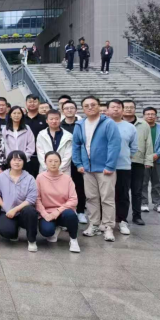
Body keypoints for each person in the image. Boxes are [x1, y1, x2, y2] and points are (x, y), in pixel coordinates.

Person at [72, 96, 121, 242]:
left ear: (99, 106)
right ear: (83, 108)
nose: (90, 107)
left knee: (107, 198)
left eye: (93, 104)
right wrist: (78, 164)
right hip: (87, 169)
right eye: (86, 105)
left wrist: (110, 165)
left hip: (105, 168)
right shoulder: (80, 124)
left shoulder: (108, 123)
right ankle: (94, 224)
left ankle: (108, 227)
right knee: (91, 197)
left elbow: (114, 144)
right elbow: (76, 145)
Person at [36, 151, 80, 253]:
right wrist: (44, 214)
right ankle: (55, 228)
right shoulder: (40, 178)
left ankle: (73, 240)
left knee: (71, 215)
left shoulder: (67, 178)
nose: (53, 164)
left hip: (63, 211)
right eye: (50, 161)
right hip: (47, 212)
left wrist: (58, 211)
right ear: (45, 162)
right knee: (46, 231)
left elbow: (73, 199)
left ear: (60, 163)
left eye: (56, 161)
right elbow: (37, 199)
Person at [0, 151, 39, 252]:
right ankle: (14, 231)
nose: (17, 162)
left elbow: (31, 199)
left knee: (30, 211)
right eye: (14, 160)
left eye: (20, 160)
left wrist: (15, 209)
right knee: (6, 231)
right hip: (7, 211)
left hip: (23, 212)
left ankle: (32, 240)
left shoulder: (30, 178)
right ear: (9, 161)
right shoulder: (1, 177)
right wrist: (6, 207)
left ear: (24, 162)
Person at [107, 99, 138, 236]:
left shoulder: (130, 127)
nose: (116, 109)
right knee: (105, 195)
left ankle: (122, 220)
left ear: (122, 110)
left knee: (123, 194)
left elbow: (134, 147)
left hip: (123, 166)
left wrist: (124, 156)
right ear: (108, 110)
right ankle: (106, 221)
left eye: (118, 107)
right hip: (104, 166)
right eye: (113, 107)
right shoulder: (102, 125)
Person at [60, 100, 87, 224]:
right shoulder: (59, 125)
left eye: (72, 108)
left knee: (79, 187)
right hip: (63, 161)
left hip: (79, 161)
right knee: (64, 188)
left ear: (76, 110)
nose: (69, 110)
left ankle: (80, 211)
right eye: (66, 108)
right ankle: (67, 211)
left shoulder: (82, 124)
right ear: (62, 111)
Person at [127, 103, 153, 226]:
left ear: (135, 109)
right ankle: (121, 216)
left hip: (138, 161)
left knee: (137, 191)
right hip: (121, 163)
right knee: (121, 191)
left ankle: (137, 216)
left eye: (131, 107)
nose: (128, 109)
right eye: (126, 107)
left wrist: (148, 160)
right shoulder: (116, 123)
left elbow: (149, 143)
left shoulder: (143, 124)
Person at [142, 107, 160, 214]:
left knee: (157, 183)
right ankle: (143, 203)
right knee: (143, 182)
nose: (150, 116)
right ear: (144, 116)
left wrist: (157, 154)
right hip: (143, 159)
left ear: (156, 116)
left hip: (158, 160)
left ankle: (158, 204)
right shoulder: (140, 128)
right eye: (148, 114)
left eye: (152, 114)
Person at [36, 110, 73, 175]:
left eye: (56, 119)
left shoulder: (68, 136)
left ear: (60, 120)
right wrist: (48, 168)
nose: (54, 121)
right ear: (47, 121)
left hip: (63, 171)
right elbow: (40, 153)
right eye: (51, 119)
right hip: (45, 171)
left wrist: (58, 169)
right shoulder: (41, 135)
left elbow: (68, 156)